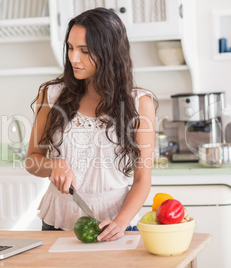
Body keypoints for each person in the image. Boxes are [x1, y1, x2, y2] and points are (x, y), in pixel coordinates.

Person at [26, 7, 157, 242]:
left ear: (110, 54)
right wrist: (52, 165)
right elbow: (32, 159)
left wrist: (121, 222)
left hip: (117, 225)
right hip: (59, 221)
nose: (73, 58)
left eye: (84, 51)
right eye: (70, 47)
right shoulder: (52, 95)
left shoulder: (140, 103)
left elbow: (142, 180)